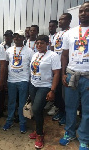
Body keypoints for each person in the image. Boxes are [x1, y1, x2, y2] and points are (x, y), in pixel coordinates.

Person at [59, 2, 89, 149]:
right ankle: (69, 133)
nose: (83, 13)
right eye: (81, 11)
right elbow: (64, 55)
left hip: (88, 78)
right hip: (71, 75)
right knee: (70, 107)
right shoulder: (69, 33)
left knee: (87, 110)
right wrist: (64, 73)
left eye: (86, 10)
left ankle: (84, 138)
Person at [28, 35, 61, 149]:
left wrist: (52, 90)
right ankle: (38, 130)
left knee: (37, 109)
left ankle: (40, 135)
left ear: (47, 43)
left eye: (42, 43)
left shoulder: (53, 56)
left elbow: (56, 73)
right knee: (36, 109)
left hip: (45, 86)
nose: (39, 45)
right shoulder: (35, 55)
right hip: (33, 85)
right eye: (37, 43)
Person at [3, 30, 33, 133]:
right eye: (15, 36)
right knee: (11, 102)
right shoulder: (9, 50)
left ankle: (22, 123)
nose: (17, 38)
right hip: (11, 81)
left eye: (19, 36)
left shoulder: (29, 51)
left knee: (22, 104)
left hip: (23, 81)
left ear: (24, 38)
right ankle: (9, 121)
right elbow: (5, 65)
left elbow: (32, 66)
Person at [49, 13, 72, 125]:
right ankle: (61, 110)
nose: (60, 21)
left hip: (66, 68)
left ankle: (67, 114)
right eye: (59, 19)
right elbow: (52, 51)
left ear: (69, 20)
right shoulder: (57, 34)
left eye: (63, 19)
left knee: (65, 93)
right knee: (57, 91)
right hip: (56, 68)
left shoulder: (71, 33)